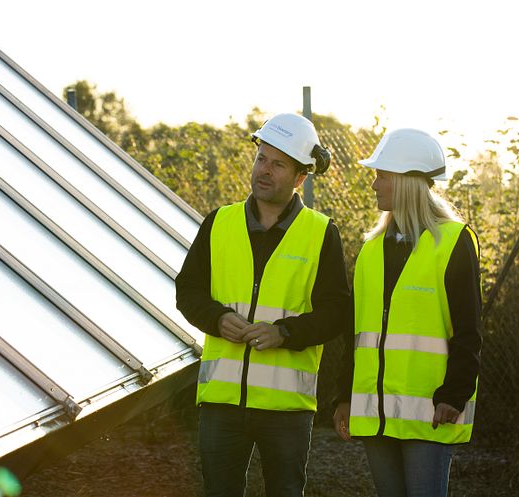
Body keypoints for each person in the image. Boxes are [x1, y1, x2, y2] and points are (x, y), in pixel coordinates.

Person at [175, 113, 349, 497]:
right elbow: (187, 291)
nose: (264, 171)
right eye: (261, 159)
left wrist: (284, 333)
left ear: (300, 176)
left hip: (286, 410)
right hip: (221, 403)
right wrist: (218, 319)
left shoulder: (321, 233)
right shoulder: (218, 222)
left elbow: (336, 312)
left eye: (278, 164)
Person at [333, 128, 482, 497]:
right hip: (375, 414)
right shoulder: (370, 250)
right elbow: (355, 334)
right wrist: (343, 396)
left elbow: (469, 331)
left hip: (430, 413)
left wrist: (454, 394)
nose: (373, 185)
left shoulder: (454, 242)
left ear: (406, 181)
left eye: (381, 175)